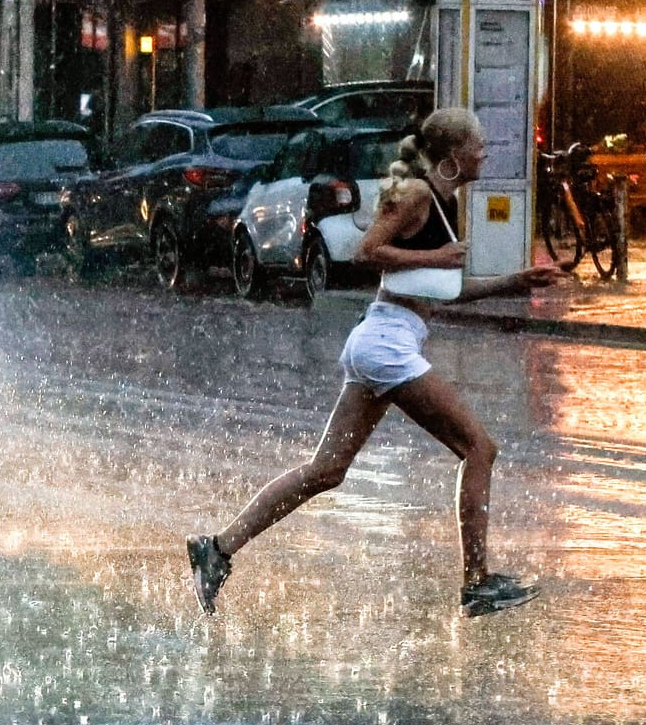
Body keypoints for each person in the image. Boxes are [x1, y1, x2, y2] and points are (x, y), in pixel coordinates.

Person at [185, 107, 563, 619]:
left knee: (326, 471)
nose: (485, 154)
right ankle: (477, 582)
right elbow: (367, 252)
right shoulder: (417, 196)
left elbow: (440, 291)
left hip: (383, 342)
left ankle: (218, 549)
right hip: (386, 347)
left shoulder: (442, 203)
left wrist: (512, 283)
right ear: (453, 155)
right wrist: (436, 258)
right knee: (479, 447)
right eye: (479, 145)